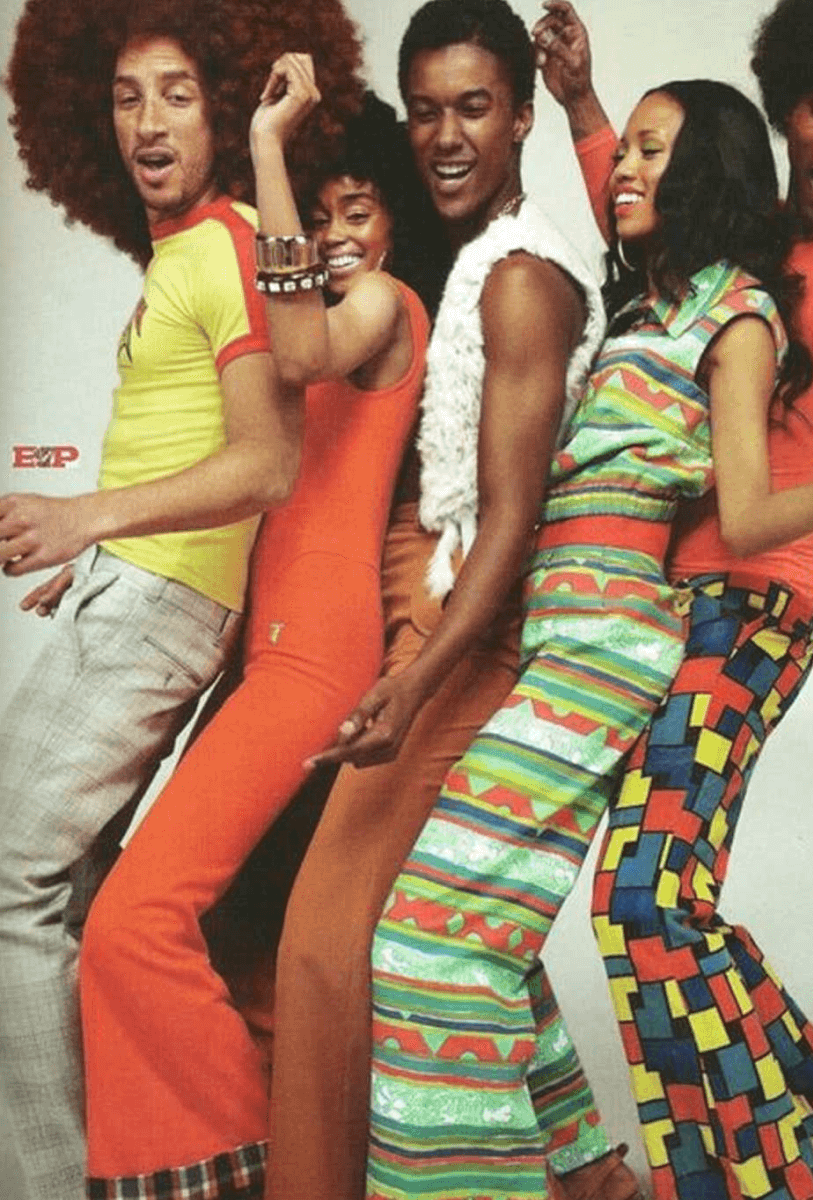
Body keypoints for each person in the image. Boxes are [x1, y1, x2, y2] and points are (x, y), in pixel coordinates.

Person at [364, 72, 813, 1200]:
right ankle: (591, 1177)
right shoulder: (647, 308)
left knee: (423, 938)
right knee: (464, 927)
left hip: (606, 654)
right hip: (555, 641)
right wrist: (577, 93)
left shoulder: (734, 315)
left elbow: (743, 513)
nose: (621, 171)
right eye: (623, 151)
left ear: (700, 173)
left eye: (648, 153)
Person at [249, 4, 634, 1199]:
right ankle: (588, 1183)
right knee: (444, 944)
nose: (446, 136)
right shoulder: (478, 259)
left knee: (325, 943)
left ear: (516, 115)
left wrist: (412, 683)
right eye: (426, 111)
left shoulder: (521, 278)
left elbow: (510, 528)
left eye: (474, 108)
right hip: (432, 629)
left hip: (469, 641)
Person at [0, 2, 361, 1196]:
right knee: (58, 897)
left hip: (158, 605)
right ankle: (125, 1164)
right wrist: (92, 554)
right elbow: (194, 439)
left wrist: (84, 519)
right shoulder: (187, 250)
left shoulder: (224, 245)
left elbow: (267, 464)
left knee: (8, 883)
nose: (148, 122)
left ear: (224, 105)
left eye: (176, 94)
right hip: (134, 589)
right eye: (123, 97)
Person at [73, 61, 441, 1196]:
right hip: (257, 653)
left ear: (394, 222)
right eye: (319, 213)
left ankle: (232, 1176)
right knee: (205, 934)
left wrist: (271, 152)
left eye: (356, 211)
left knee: (132, 921)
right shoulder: (308, 317)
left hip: (315, 658)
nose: (333, 235)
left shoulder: (385, 308)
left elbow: (300, 354)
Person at [535, 0, 813, 1193]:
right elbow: (646, 205)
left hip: (758, 613)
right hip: (662, 612)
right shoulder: (753, 242)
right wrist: (586, 106)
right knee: (652, 910)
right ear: (786, 104)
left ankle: (782, 1167)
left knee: (644, 906)